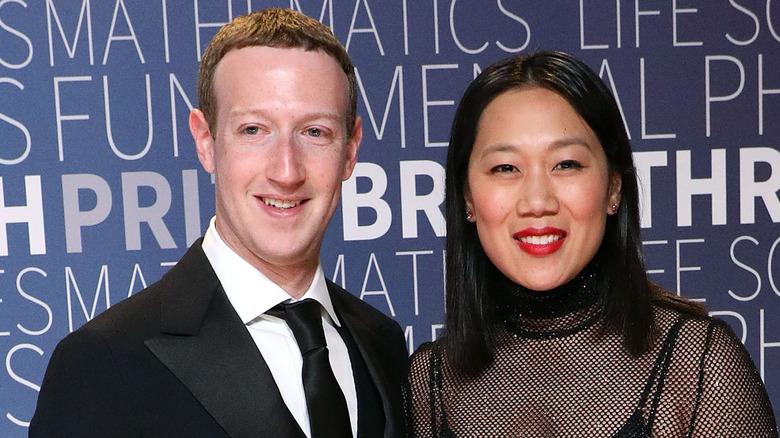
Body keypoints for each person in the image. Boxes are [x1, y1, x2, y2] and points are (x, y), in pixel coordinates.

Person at [30, 8, 408, 438]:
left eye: (315, 132)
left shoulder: (383, 344)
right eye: (253, 130)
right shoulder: (102, 364)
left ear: (351, 149)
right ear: (206, 142)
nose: (286, 171)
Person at [406, 51, 778, 437]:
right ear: (467, 196)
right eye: (505, 168)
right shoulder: (429, 383)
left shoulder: (698, 363)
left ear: (613, 186)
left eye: (566, 164)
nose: (538, 202)